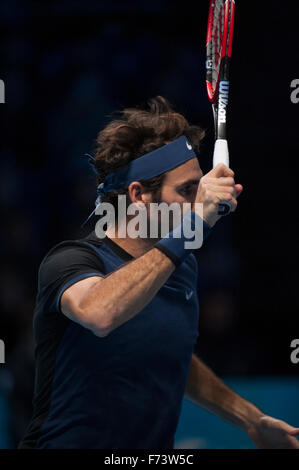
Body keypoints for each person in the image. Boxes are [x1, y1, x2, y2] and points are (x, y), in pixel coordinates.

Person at [19, 96, 299, 449]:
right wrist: (196, 222)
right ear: (139, 195)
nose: (201, 198)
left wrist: (251, 420)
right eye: (187, 190)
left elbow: (167, 354)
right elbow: (100, 313)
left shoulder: (181, 268)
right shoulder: (70, 261)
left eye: (200, 186)